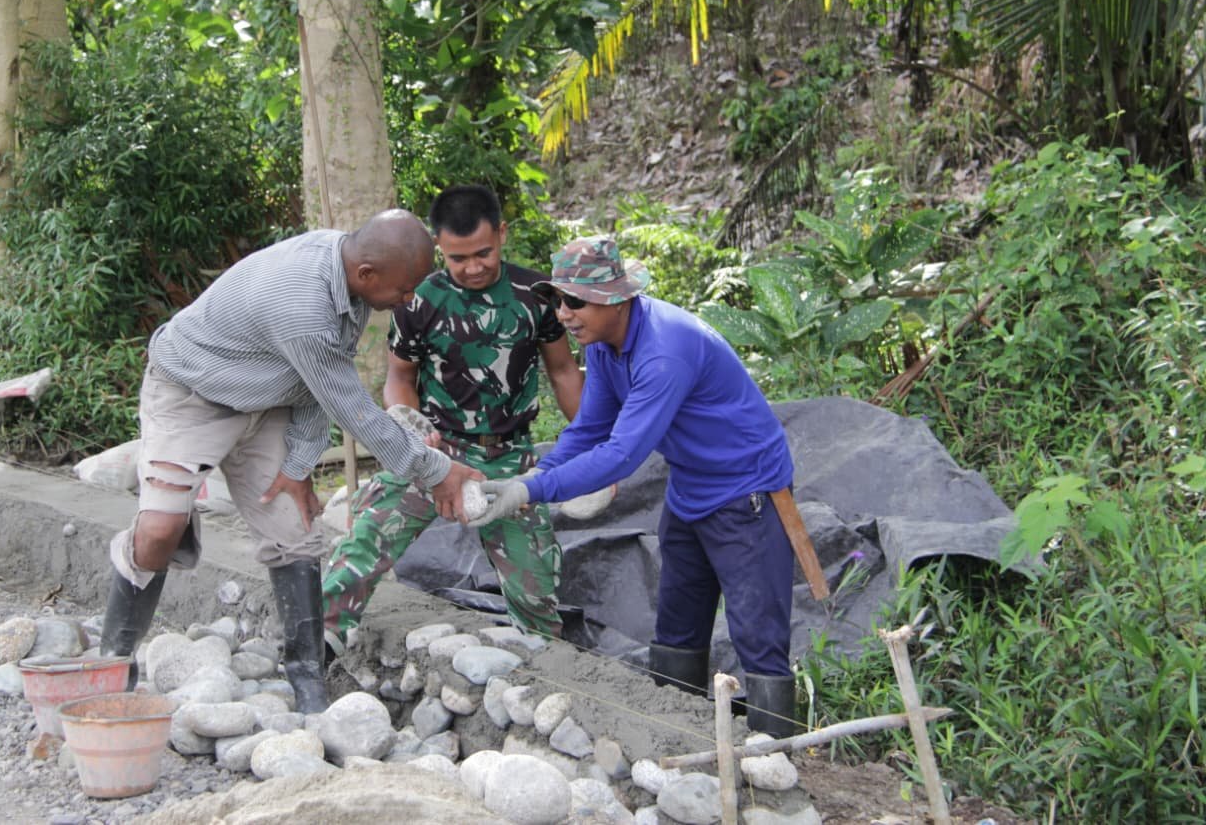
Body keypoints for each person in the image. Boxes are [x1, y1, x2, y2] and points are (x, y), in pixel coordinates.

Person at [100, 210, 483, 714]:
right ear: (367, 272)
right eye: (404, 289)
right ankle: (113, 664)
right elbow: (349, 405)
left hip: (267, 401)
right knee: (159, 532)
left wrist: (299, 462)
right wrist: (437, 471)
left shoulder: (349, 278)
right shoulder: (303, 300)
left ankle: (308, 685)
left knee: (296, 532)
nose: (409, 299)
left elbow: (316, 383)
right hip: (192, 395)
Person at [473, 235, 800, 737]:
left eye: (575, 301)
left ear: (616, 299)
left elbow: (622, 455)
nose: (563, 314)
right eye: (557, 300)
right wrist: (536, 475)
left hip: (747, 493)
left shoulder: (664, 351)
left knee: (757, 632)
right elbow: (589, 428)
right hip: (690, 487)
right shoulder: (605, 345)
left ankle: (775, 758)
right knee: (677, 623)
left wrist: (531, 493)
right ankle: (676, 736)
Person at [322, 185, 584, 649]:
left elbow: (563, 371)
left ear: (502, 234)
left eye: (483, 253)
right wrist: (410, 428)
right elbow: (399, 378)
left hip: (509, 459)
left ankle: (543, 666)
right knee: (364, 543)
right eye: (458, 258)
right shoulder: (418, 298)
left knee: (536, 591)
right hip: (436, 451)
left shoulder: (535, 295)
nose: (473, 267)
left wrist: (591, 444)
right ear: (439, 247)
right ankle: (319, 642)